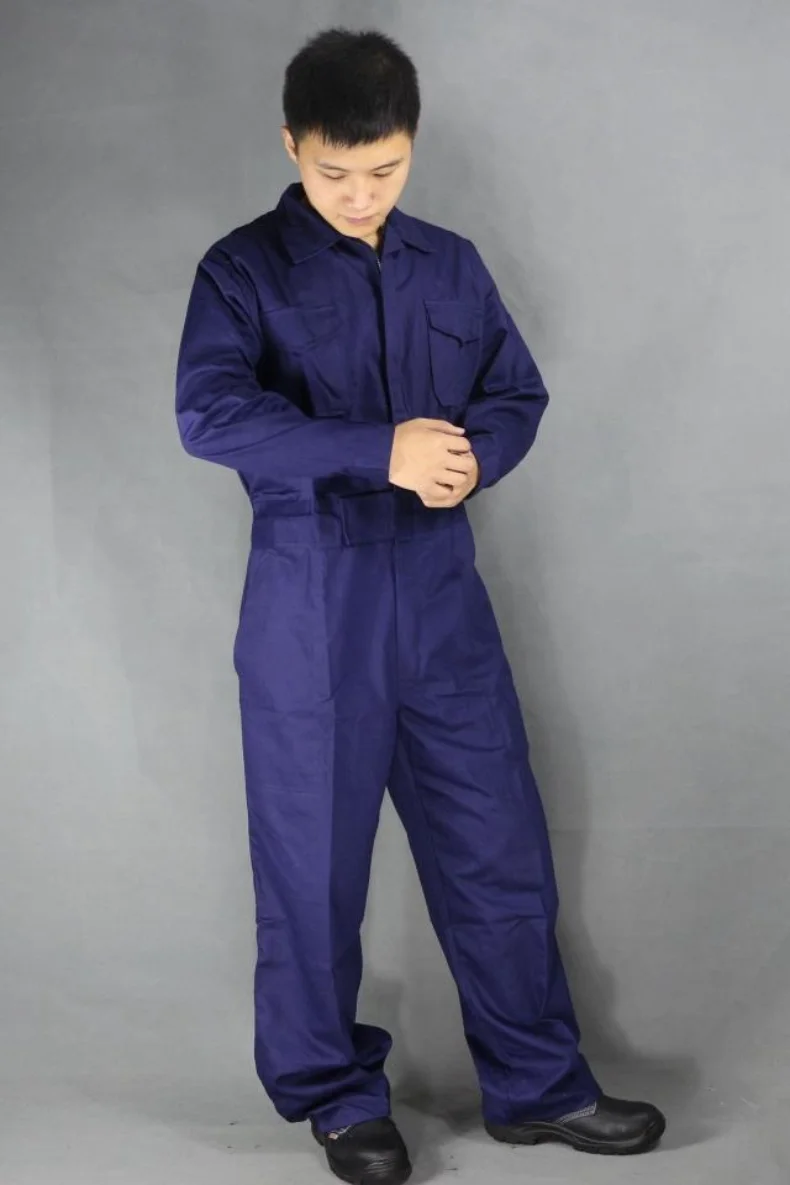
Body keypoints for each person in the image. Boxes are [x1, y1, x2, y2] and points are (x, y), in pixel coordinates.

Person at [174, 26, 666, 1185]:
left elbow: (513, 390)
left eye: (384, 169)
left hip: (442, 597)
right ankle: (337, 1100)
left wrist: (477, 456)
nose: (360, 194)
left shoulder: (451, 264)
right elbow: (210, 414)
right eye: (334, 171)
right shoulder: (241, 270)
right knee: (312, 873)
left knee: (497, 851)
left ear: (411, 144)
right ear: (291, 144)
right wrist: (378, 447)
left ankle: (538, 1087)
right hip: (312, 603)